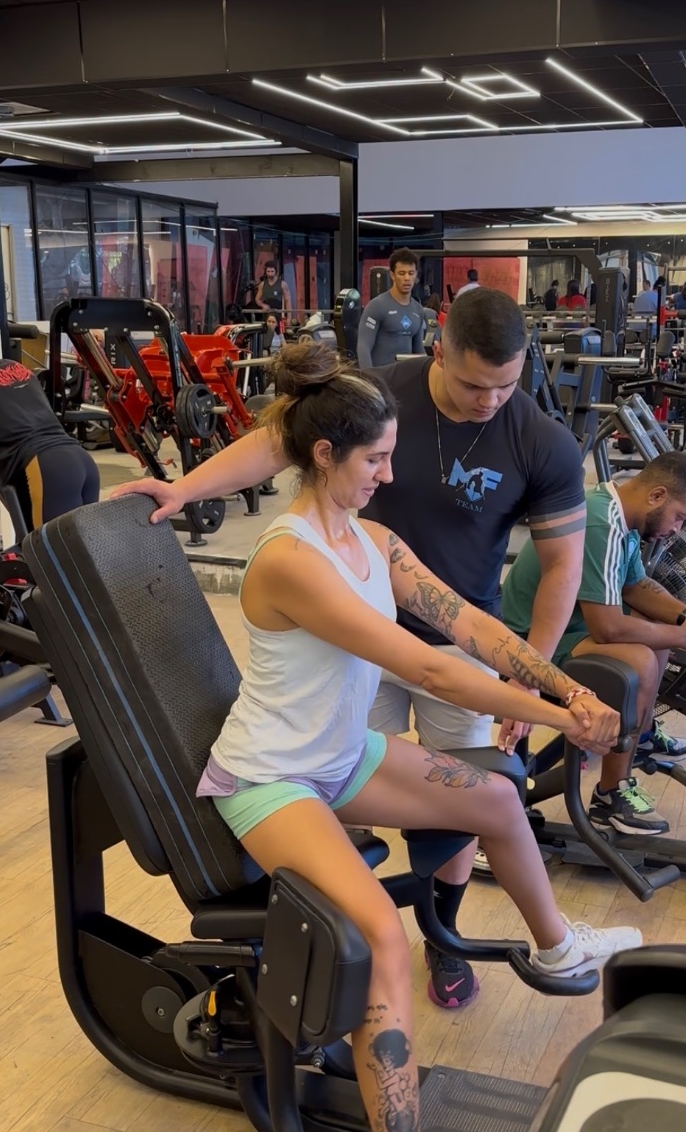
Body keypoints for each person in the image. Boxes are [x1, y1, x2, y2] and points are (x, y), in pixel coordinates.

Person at [193, 341, 639, 1132]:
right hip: (273, 781)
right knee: (379, 939)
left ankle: (557, 947)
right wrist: (563, 713)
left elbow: (465, 625)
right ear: (325, 455)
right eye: (378, 460)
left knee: (499, 802)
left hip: (340, 756)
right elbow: (430, 672)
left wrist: (562, 683)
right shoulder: (292, 561)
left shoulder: (373, 541)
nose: (389, 477)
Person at [114, 290, 588, 1012]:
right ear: (438, 352)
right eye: (471, 383)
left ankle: (444, 940)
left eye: (506, 384)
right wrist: (185, 489)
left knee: (462, 804)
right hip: (354, 634)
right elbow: (282, 442)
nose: (489, 399)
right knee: (338, 793)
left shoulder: (540, 440)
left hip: (452, 640)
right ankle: (340, 948)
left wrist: (542, 690)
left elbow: (559, 570)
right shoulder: (378, 397)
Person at [503, 454, 686, 836]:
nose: (676, 530)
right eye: (680, 517)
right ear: (656, 496)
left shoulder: (624, 516)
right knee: (638, 659)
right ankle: (609, 796)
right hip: (530, 642)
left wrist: (682, 619)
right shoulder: (602, 520)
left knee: (655, 640)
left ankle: (643, 734)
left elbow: (635, 588)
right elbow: (609, 630)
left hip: (570, 629)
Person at [0, 349, 99, 530]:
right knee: (86, 552)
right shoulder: (15, 367)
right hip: (81, 459)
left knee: (49, 554)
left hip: (48, 467)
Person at [357, 248, 425, 368]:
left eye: (411, 273)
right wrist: (369, 379)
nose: (407, 278)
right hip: (381, 379)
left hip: (405, 380)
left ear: (416, 275)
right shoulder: (377, 306)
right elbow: (363, 347)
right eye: (402, 273)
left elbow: (419, 350)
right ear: (393, 275)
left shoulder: (418, 310)